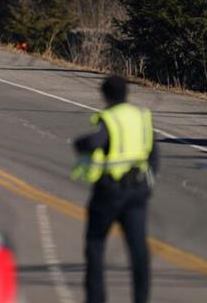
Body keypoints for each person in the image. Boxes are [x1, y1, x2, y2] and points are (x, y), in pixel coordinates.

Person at [72, 75, 159, 303]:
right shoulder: (141, 117)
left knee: (95, 244)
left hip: (109, 191)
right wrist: (147, 186)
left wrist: (80, 143)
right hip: (137, 190)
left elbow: (96, 142)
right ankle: (141, 299)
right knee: (138, 250)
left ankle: (96, 298)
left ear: (105, 95)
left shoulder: (110, 118)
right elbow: (153, 155)